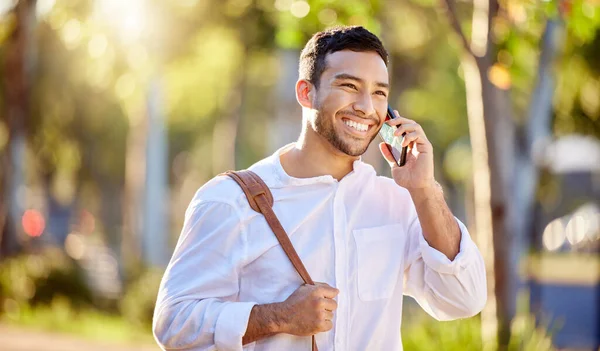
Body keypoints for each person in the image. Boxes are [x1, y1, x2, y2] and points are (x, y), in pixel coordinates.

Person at [153, 26, 487, 351]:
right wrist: (276, 317)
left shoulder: (399, 203)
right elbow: (173, 322)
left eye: (379, 92)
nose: (367, 107)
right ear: (305, 93)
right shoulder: (230, 201)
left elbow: (464, 299)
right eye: (349, 86)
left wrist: (425, 189)